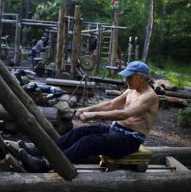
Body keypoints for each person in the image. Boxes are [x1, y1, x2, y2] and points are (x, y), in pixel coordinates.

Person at [17, 61, 159, 172]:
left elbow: (124, 114)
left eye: (129, 76)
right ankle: (40, 152)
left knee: (89, 141)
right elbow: (110, 104)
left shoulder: (150, 97)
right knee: (81, 131)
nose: (126, 79)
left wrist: (92, 115)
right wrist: (85, 108)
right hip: (116, 131)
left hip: (129, 140)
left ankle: (45, 164)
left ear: (141, 77)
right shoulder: (131, 90)